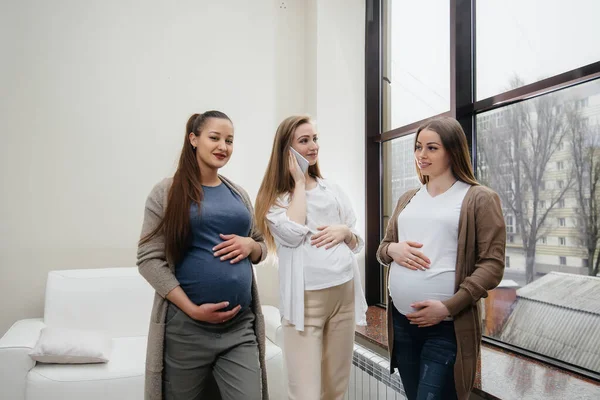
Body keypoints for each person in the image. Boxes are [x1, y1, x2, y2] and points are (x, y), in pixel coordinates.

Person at [137, 111, 269, 400]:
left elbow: (262, 246)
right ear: (193, 139)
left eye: (230, 140)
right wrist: (192, 308)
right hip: (187, 330)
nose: (223, 146)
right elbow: (148, 258)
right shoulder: (167, 192)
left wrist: (250, 245)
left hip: (240, 328)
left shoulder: (239, 195)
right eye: (215, 138)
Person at [376, 117, 506, 400]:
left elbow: (493, 265)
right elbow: (383, 248)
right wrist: (392, 250)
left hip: (447, 328)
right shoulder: (408, 198)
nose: (421, 155)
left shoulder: (479, 198)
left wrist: (448, 307)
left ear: (452, 150)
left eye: (432, 148)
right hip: (402, 324)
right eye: (418, 147)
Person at [255, 115, 368, 400]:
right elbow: (293, 232)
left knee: (336, 388)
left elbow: (357, 242)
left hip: (343, 293)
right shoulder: (276, 199)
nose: (313, 146)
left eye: (315, 138)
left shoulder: (334, 190)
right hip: (306, 303)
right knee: (305, 392)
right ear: (286, 150)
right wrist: (298, 182)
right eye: (303, 141)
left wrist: (346, 232)